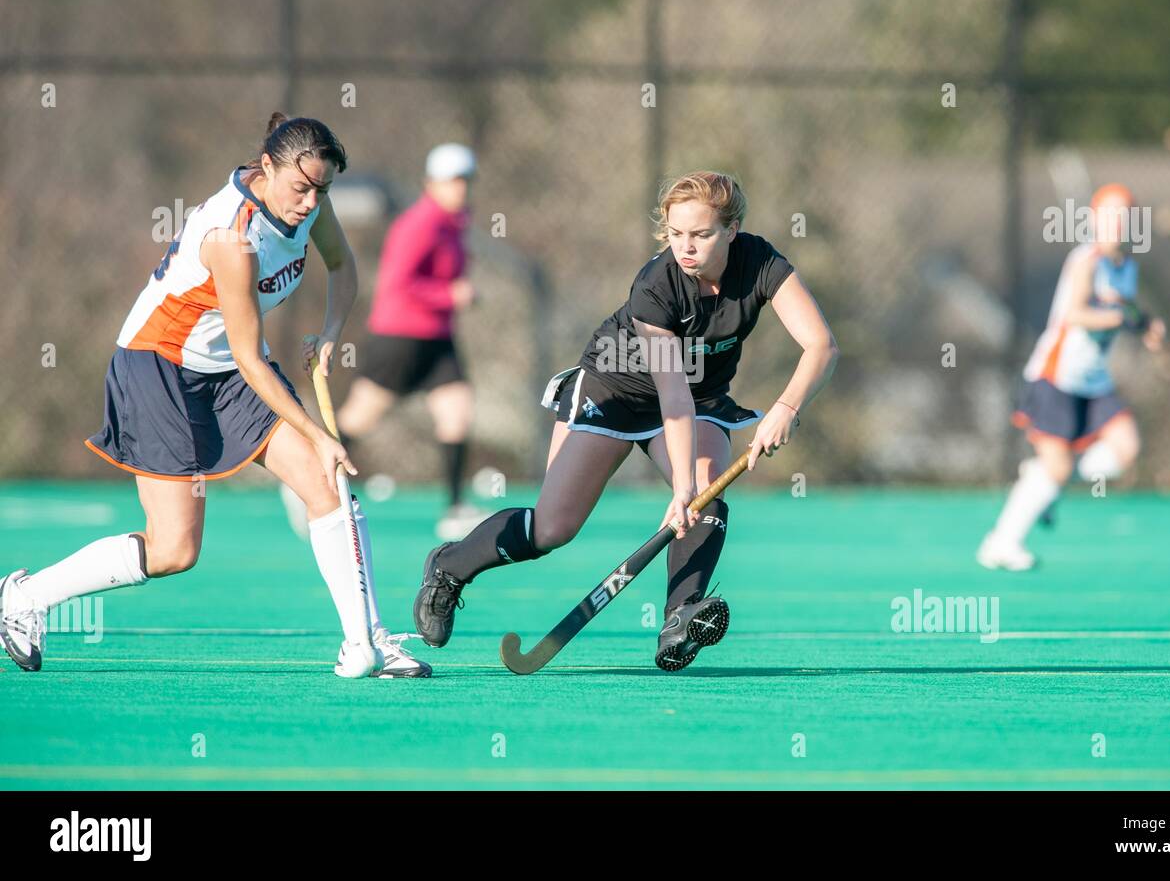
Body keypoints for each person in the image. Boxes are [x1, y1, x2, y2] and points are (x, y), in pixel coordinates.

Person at [0, 114, 430, 679]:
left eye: (321, 190)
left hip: (227, 365)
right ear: (267, 167)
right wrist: (318, 433)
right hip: (160, 366)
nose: (310, 203)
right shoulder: (233, 239)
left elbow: (342, 267)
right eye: (301, 189)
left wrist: (329, 334)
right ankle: (25, 597)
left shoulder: (310, 203)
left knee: (326, 483)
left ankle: (367, 641)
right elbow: (253, 361)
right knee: (175, 549)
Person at [412, 171, 838, 670]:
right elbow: (670, 395)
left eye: (700, 234)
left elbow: (821, 345)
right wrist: (679, 489)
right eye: (676, 234)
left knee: (705, 493)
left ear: (732, 229)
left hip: (700, 397)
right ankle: (449, 567)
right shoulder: (657, 286)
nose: (686, 246)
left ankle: (680, 618)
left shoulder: (762, 263)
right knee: (552, 528)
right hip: (616, 391)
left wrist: (786, 408)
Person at [297, 142, 485, 541]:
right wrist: (450, 295)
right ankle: (303, 481)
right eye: (452, 180)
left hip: (438, 338)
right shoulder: (419, 224)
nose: (461, 188)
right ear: (431, 184)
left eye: (466, 180)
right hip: (401, 336)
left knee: (457, 411)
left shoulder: (455, 223)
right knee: (360, 418)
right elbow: (400, 283)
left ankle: (453, 508)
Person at [978, 183, 1165, 571]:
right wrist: (1118, 318)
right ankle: (1001, 542)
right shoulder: (1086, 261)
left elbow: (1126, 309)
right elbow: (1076, 314)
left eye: (1125, 216)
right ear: (1095, 220)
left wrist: (1146, 325)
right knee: (1058, 467)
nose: (1117, 223)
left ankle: (1043, 479)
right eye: (1110, 215)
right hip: (1056, 377)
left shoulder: (1127, 267)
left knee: (1126, 448)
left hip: (1094, 382)